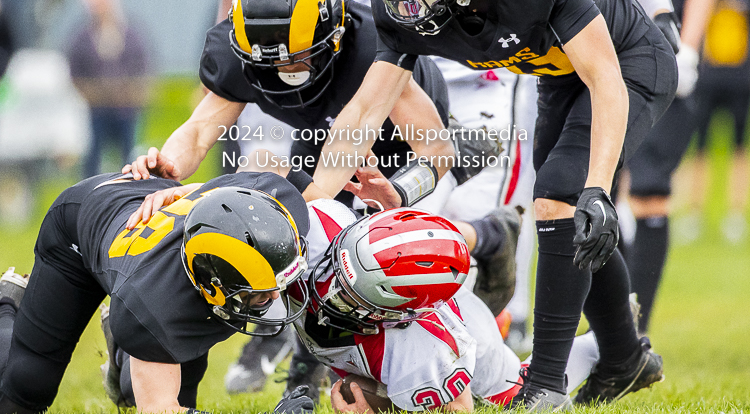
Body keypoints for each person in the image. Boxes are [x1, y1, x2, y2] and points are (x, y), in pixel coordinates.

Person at [314, 0, 675, 407]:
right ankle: (623, 358)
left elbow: (605, 80)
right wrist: (314, 210)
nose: (405, 9)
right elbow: (365, 110)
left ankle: (546, 384)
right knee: (566, 216)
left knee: (560, 197)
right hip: (558, 75)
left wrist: (598, 188)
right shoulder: (410, 0)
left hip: (627, 66)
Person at [124, 0, 518, 397]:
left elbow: (437, 148)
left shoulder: (374, 50)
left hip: (400, 142)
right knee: (314, 240)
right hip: (320, 130)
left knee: (370, 255)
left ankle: (486, 236)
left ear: (333, 36)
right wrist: (169, 168)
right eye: (263, 62)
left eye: (295, 61)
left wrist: (400, 194)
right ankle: (305, 374)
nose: (278, 72)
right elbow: (198, 131)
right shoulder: (251, 50)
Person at [122, 156, 602, 413]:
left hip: (458, 345)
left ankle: (600, 347)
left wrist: (369, 400)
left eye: (351, 296)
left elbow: (453, 407)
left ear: (393, 314)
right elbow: (264, 182)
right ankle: (491, 239)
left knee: (512, 397)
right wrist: (189, 195)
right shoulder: (316, 231)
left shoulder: (420, 352)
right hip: (389, 310)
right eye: (338, 278)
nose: (334, 293)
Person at [0, 169, 313, 413]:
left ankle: (125, 347)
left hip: (150, 222)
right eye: (259, 291)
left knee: (140, 391)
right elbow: (161, 410)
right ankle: (6, 307)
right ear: (214, 284)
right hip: (81, 222)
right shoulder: (158, 303)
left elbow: (246, 187)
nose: (275, 297)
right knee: (26, 387)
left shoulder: (277, 207)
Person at [617, 0, 726, 333]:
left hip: (665, 51)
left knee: (649, 188)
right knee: (590, 190)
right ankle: (614, 329)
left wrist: (690, 49)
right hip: (603, 48)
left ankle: (635, 333)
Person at [688, 0, 750, 244]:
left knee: (740, 148)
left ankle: (736, 213)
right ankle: (695, 213)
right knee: (698, 149)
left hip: (741, 79)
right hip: (709, 77)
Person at [67, 0, 150, 178]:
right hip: (95, 109)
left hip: (125, 108)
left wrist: (134, 92)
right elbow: (74, 70)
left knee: (129, 157)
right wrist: (90, 92)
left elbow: (143, 65)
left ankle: (131, 192)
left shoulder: (130, 33)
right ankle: (89, 194)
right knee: (92, 157)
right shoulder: (81, 37)